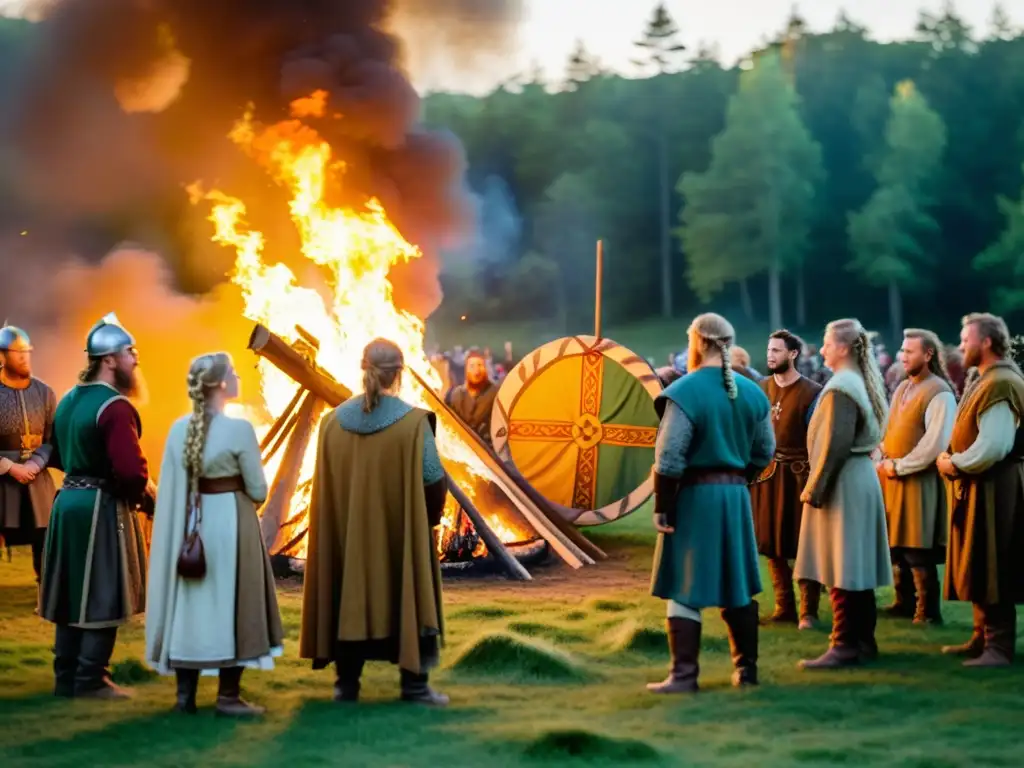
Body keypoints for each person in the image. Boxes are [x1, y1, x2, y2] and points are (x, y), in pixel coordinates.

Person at [300, 338, 450, 705]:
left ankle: (345, 685)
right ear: (398, 373)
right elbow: (433, 479)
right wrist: (426, 521)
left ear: (363, 368)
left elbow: (326, 488)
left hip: (346, 540)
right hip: (399, 536)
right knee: (408, 594)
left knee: (346, 594)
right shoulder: (414, 423)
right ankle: (414, 687)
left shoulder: (331, 424)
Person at [145, 353, 283, 716]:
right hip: (232, 525)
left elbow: (173, 486)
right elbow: (258, 489)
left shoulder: (178, 429)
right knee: (235, 604)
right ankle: (228, 697)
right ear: (221, 384)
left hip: (190, 528)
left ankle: (184, 698)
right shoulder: (239, 430)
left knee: (191, 607)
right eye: (234, 373)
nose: (238, 377)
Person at [648, 313, 774, 693]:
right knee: (736, 584)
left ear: (697, 342)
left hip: (695, 499)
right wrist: (738, 480)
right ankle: (746, 672)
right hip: (735, 499)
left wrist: (662, 505)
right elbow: (765, 451)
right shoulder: (754, 392)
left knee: (684, 583)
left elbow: (669, 457)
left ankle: (684, 676)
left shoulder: (685, 391)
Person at [38, 313, 154, 699]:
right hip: (99, 508)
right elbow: (131, 472)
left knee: (71, 593)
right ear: (108, 360)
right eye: (129, 352)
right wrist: (143, 497)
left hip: (67, 503)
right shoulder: (115, 407)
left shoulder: (69, 400)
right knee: (105, 588)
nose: (135, 359)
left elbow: (54, 454)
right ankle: (90, 680)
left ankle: (64, 677)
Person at [794, 318, 892, 669]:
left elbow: (836, 443)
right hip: (856, 477)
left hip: (844, 481)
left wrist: (815, 488)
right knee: (854, 562)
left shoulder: (842, 387)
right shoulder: (859, 381)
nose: (821, 349)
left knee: (843, 563)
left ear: (844, 347)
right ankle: (863, 641)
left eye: (826, 343)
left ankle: (844, 644)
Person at [937, 312, 1024, 667]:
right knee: (980, 558)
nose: (960, 346)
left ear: (986, 342)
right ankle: (981, 638)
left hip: (995, 487)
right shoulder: (989, 378)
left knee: (994, 561)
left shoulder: (1001, 382)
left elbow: (994, 445)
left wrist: (953, 463)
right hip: (982, 485)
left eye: (965, 339)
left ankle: (998, 648)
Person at [876, 329, 955, 625]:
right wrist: (882, 454)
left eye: (909, 352)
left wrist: (900, 467)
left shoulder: (940, 392)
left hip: (918, 480)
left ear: (928, 354)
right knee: (898, 545)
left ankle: (928, 611)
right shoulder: (902, 388)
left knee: (917, 547)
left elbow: (934, 443)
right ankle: (903, 602)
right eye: (902, 351)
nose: (902, 356)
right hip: (893, 476)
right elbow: (893, 430)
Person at [750, 330, 822, 629]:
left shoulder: (813, 392)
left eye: (777, 350)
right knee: (771, 543)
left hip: (798, 477)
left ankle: (809, 612)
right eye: (769, 350)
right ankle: (784, 607)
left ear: (792, 354)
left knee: (805, 543)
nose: (770, 355)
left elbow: (819, 439)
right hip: (766, 476)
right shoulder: (760, 388)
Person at [0, 324, 57, 584]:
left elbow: (51, 438)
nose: (24, 357)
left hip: (37, 477)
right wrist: (10, 467)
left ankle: (46, 589)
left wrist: (36, 462)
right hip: (3, 480)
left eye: (27, 352)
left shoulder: (44, 393)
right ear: (2, 356)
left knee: (45, 538)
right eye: (17, 352)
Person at [448, 349, 498, 448]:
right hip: (461, 447)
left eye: (480, 365)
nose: (476, 370)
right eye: (472, 366)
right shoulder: (457, 394)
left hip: (488, 450)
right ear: (466, 369)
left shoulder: (495, 393)